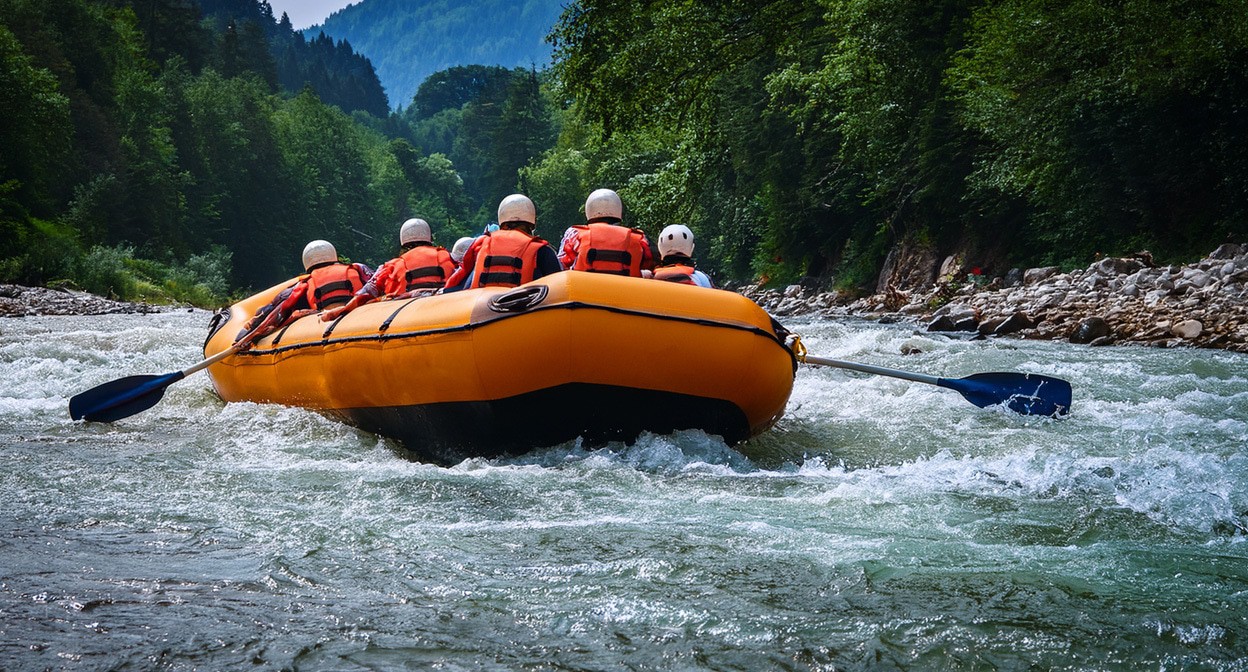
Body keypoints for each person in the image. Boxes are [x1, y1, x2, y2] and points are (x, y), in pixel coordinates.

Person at [234, 240, 371, 348]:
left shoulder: (303, 285)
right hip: (361, 317)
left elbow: (271, 312)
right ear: (334, 256)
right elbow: (377, 284)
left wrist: (244, 336)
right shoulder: (358, 269)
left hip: (327, 323)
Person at [321, 218, 454, 321]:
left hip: (405, 315)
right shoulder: (448, 256)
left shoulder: (392, 265)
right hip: (446, 308)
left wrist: (343, 309)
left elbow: (365, 293)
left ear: (403, 242)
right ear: (430, 239)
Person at [443, 194, 562, 290]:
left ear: (501, 221)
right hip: (524, 310)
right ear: (533, 223)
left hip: (482, 311)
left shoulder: (481, 244)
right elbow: (559, 288)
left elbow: (462, 283)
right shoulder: (542, 250)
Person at [557, 188, 655, 276]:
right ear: (618, 209)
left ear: (589, 210)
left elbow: (561, 265)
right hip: (626, 292)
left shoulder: (574, 233)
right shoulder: (639, 238)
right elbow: (652, 264)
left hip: (584, 292)